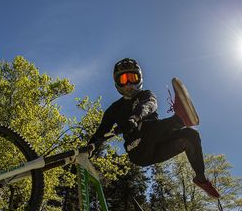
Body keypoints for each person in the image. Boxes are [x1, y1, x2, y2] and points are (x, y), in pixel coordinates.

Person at [88, 58, 220, 199]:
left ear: (139, 79)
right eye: (124, 79)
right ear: (117, 83)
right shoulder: (113, 109)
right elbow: (99, 134)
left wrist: (134, 118)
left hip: (159, 142)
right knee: (145, 128)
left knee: (190, 135)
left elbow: (148, 105)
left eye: (132, 78)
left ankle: (200, 179)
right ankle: (180, 119)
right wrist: (85, 154)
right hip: (138, 150)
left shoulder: (146, 95)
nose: (129, 84)